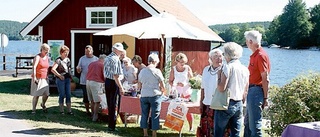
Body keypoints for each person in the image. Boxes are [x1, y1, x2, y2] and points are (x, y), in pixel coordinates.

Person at [213, 42, 249, 137]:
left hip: (226, 103)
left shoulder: (227, 67)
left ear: (227, 54)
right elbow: (246, 90)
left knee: (219, 133)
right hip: (239, 103)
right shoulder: (245, 69)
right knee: (235, 133)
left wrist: (219, 76)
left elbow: (221, 88)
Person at [244, 30, 271, 137]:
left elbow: (265, 78)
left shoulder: (260, 56)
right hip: (252, 90)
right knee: (248, 124)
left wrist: (265, 98)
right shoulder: (255, 55)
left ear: (251, 41)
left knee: (255, 126)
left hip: (256, 91)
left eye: (246, 41)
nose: (246, 43)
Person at [199, 48, 229, 136]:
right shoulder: (206, 70)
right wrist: (201, 102)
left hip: (218, 104)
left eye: (220, 56)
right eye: (216, 56)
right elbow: (203, 87)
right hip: (207, 103)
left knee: (218, 128)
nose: (218, 58)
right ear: (211, 59)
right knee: (206, 127)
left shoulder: (224, 69)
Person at [138, 53, 166, 137]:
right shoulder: (157, 71)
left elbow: (139, 85)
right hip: (154, 95)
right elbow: (162, 84)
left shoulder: (142, 71)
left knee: (144, 114)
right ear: (155, 61)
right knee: (155, 114)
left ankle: (145, 133)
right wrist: (163, 92)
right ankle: (154, 134)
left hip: (144, 94)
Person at [168, 52, 193, 131]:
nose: (183, 64)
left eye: (184, 62)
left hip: (186, 91)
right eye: (181, 62)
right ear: (177, 61)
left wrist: (187, 82)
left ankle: (191, 127)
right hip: (176, 91)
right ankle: (174, 127)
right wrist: (175, 85)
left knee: (188, 110)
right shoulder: (174, 69)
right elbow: (170, 81)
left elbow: (192, 80)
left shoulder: (187, 68)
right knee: (176, 109)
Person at [104, 42, 126, 131]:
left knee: (110, 103)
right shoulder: (115, 59)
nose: (121, 52)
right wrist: (121, 87)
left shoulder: (107, 58)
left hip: (108, 81)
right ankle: (112, 125)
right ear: (117, 50)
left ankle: (110, 124)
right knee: (114, 104)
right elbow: (116, 76)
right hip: (114, 82)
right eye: (120, 51)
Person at [76, 45, 98, 116]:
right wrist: (78, 69)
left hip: (93, 81)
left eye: (88, 51)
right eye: (85, 52)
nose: (87, 53)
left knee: (93, 97)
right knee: (86, 96)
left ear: (92, 51)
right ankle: (87, 111)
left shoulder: (96, 59)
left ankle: (93, 112)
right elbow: (79, 70)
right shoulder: (82, 58)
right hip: (84, 81)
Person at [51, 45, 73, 115]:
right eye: (65, 53)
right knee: (62, 94)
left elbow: (69, 68)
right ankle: (61, 110)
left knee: (68, 94)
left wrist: (71, 76)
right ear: (61, 53)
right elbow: (53, 69)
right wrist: (59, 75)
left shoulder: (68, 60)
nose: (66, 54)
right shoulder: (58, 60)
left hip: (67, 78)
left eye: (67, 52)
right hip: (60, 79)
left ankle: (69, 110)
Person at [30, 43, 50, 114]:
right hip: (38, 77)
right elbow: (34, 67)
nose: (47, 52)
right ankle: (33, 109)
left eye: (48, 50)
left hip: (45, 78)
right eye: (46, 50)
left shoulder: (47, 58)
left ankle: (43, 104)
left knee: (46, 94)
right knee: (37, 94)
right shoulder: (38, 57)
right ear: (42, 49)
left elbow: (47, 68)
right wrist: (34, 77)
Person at [86, 54, 107, 122]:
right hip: (96, 82)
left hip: (88, 81)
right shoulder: (102, 65)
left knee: (92, 100)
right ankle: (95, 116)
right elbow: (104, 76)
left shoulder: (91, 63)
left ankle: (92, 114)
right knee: (97, 101)